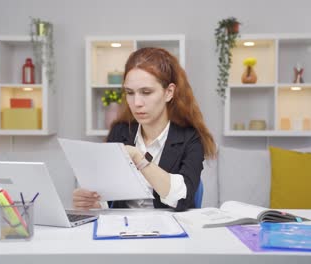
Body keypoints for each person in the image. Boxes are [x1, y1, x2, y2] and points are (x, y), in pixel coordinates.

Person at [73, 47, 217, 211]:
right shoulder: (120, 132)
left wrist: (140, 159)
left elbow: (182, 197)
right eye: (130, 93)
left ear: (169, 92)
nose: (137, 103)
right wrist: (94, 203)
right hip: (123, 228)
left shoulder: (190, 138)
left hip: (172, 231)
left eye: (146, 92)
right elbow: (109, 196)